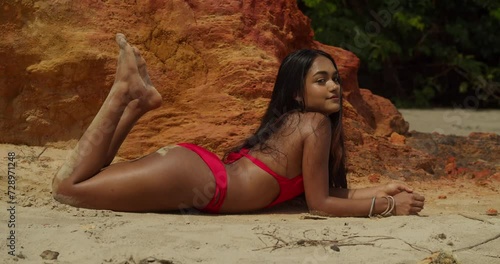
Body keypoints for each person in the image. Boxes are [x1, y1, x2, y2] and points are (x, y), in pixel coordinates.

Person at [51, 33, 425, 217]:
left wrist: (379, 188)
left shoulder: (303, 124)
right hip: (197, 180)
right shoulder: (314, 125)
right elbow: (320, 204)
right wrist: (387, 205)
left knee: (87, 179)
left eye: (334, 79)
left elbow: (319, 191)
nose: (333, 87)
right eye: (320, 80)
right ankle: (122, 95)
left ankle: (137, 105)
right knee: (68, 188)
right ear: (297, 94)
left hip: (196, 174)